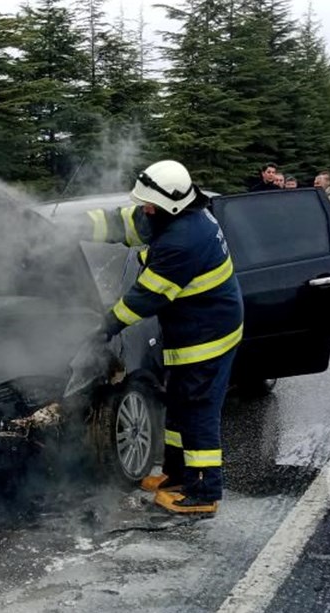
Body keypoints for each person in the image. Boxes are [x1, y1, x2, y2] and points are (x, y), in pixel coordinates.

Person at [92, 160, 244, 514]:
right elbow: (126, 222)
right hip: (190, 329)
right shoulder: (174, 211)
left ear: (171, 204)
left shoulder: (184, 239)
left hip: (207, 337)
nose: (145, 208)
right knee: (178, 403)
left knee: (198, 410)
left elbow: (143, 299)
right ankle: (176, 475)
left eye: (149, 204)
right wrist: (65, 228)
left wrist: (104, 328)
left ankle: (203, 493)